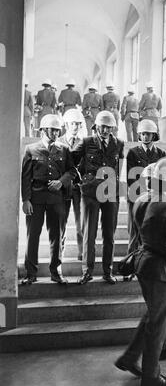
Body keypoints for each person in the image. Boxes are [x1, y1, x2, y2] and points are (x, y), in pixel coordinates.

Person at [116, 157, 166, 386]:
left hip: (143, 264)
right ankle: (151, 376)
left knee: (152, 315)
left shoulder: (141, 200)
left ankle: (129, 358)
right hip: (160, 269)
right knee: (159, 325)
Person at [21, 114, 77, 285]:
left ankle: (56, 271)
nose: (55, 133)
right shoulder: (31, 149)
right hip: (36, 199)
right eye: (52, 130)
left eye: (57, 130)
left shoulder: (64, 149)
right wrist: (26, 200)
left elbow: (72, 171)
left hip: (56, 199)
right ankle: (30, 273)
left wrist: (61, 182)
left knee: (57, 236)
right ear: (44, 130)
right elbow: (25, 177)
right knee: (33, 236)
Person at [72, 111, 124, 285]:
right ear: (96, 126)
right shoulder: (86, 142)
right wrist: (81, 180)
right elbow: (71, 160)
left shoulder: (119, 143)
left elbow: (119, 166)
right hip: (90, 194)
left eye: (108, 127)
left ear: (113, 128)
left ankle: (107, 271)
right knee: (89, 234)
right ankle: (87, 272)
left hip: (110, 193)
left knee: (109, 234)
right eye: (102, 126)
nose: (105, 130)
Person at [127, 119, 166, 256]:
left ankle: (148, 264)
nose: (145, 137)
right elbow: (130, 177)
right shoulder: (133, 152)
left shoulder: (161, 154)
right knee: (134, 232)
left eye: (149, 134)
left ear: (154, 135)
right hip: (136, 196)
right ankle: (130, 264)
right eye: (143, 134)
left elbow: (163, 177)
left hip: (154, 197)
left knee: (153, 231)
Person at [59, 109, 86, 262]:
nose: (75, 126)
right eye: (72, 123)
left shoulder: (85, 142)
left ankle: (82, 252)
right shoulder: (59, 141)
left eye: (78, 123)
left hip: (78, 188)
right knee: (60, 221)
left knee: (80, 222)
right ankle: (59, 253)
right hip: (62, 188)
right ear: (66, 124)